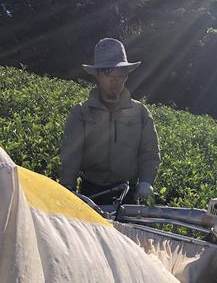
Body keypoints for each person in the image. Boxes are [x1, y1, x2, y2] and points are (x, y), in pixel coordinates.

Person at [60, 38, 160, 204]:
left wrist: (146, 181)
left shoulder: (140, 113)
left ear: (126, 77)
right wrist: (67, 188)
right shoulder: (81, 112)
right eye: (108, 73)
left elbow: (150, 152)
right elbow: (71, 154)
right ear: (98, 76)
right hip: (90, 193)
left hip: (127, 193)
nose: (115, 81)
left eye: (120, 74)